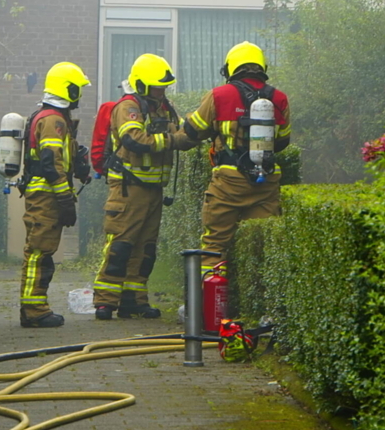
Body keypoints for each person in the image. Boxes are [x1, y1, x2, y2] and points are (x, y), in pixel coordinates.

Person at [179, 42, 290, 271]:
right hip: (266, 182)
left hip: (228, 182)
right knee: (260, 248)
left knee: (214, 246)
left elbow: (193, 131)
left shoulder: (219, 95)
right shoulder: (279, 98)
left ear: (230, 68)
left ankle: (209, 304)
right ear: (262, 66)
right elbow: (282, 142)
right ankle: (256, 306)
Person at [92, 53, 186, 319]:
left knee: (145, 248)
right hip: (128, 187)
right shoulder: (129, 107)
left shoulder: (163, 107)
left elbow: (176, 133)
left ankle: (134, 299)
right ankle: (105, 301)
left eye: (164, 85)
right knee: (121, 244)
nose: (163, 89)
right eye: (158, 85)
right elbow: (133, 139)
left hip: (154, 189)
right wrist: (171, 141)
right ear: (143, 84)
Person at [19, 61, 92, 328]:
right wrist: (64, 199)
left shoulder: (52, 117)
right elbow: (50, 164)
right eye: (78, 88)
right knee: (40, 253)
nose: (80, 94)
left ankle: (33, 308)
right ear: (67, 88)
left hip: (45, 195)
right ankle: (34, 310)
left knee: (40, 252)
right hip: (46, 197)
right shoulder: (53, 121)